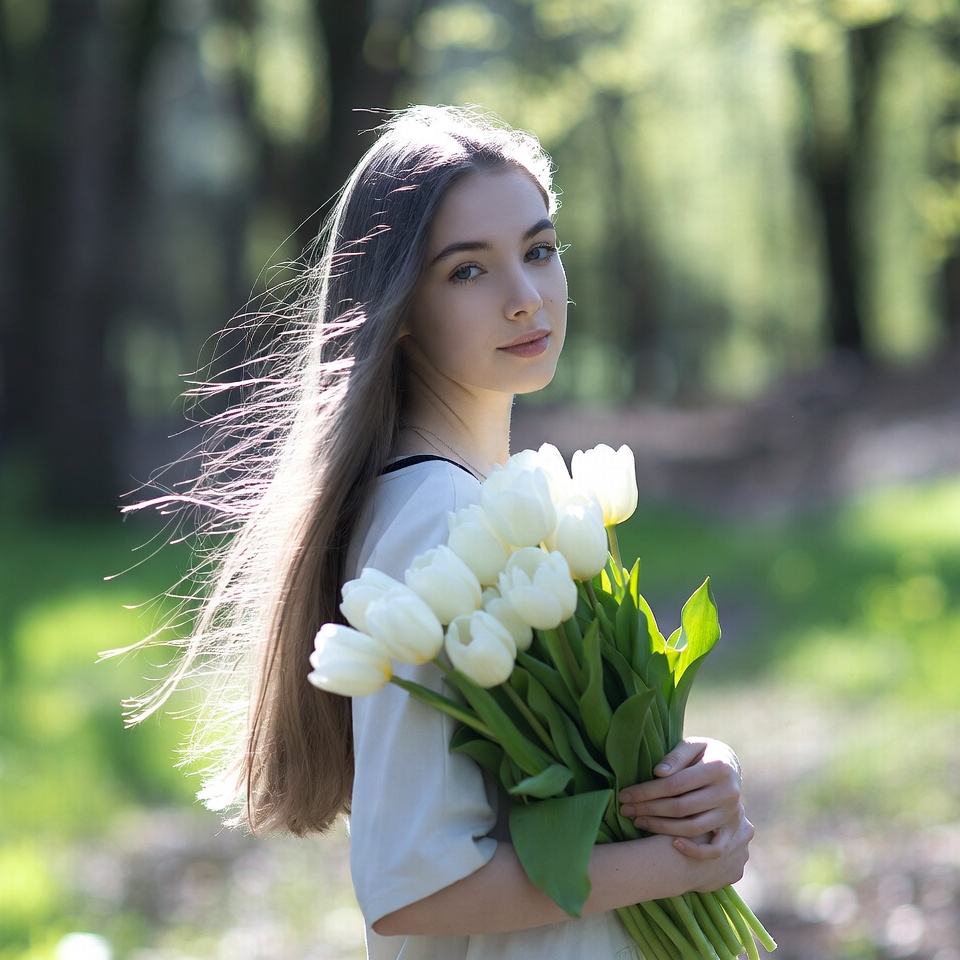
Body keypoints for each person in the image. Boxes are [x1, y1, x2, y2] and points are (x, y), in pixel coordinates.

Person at [127, 105, 753, 960]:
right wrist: (678, 864)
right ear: (403, 309)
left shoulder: (487, 502)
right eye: (468, 272)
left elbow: (549, 783)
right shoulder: (438, 522)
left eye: (539, 251)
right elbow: (415, 885)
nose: (526, 298)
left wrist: (682, 779)